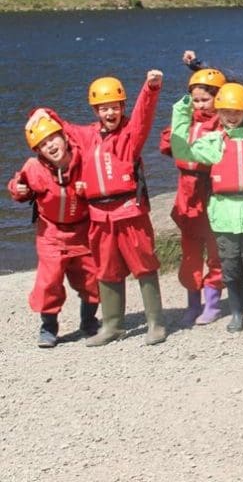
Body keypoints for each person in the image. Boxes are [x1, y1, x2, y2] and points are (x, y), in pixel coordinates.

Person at [30, 71, 166, 346]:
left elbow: (144, 115)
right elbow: (63, 127)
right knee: (105, 269)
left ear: (122, 107)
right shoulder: (87, 135)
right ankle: (112, 325)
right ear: (96, 110)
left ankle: (156, 323)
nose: (110, 112)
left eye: (114, 106)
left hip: (129, 211)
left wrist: (151, 88)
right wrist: (42, 111)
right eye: (104, 108)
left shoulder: (130, 134)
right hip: (99, 215)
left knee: (144, 265)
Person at [171, 83, 243, 333]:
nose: (232, 116)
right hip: (224, 217)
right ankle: (237, 313)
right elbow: (181, 149)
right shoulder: (214, 142)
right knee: (230, 268)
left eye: (237, 111)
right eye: (226, 111)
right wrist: (181, 113)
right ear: (219, 112)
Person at [8, 116, 99, 347]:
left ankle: (89, 322)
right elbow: (19, 187)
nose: (50, 145)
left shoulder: (84, 159)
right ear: (38, 150)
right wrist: (19, 190)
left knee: (92, 279)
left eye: (52, 138)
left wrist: (88, 189)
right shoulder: (33, 167)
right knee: (49, 282)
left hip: (82, 231)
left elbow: (102, 181)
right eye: (42, 144)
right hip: (50, 233)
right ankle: (48, 327)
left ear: (65, 137)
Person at [159, 68, 225, 326]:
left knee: (216, 250)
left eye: (205, 99)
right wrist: (181, 124)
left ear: (218, 98)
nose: (199, 105)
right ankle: (192, 302)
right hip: (187, 196)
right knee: (190, 252)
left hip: (212, 193)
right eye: (195, 100)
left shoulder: (224, 123)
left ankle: (213, 303)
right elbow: (166, 144)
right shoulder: (186, 123)